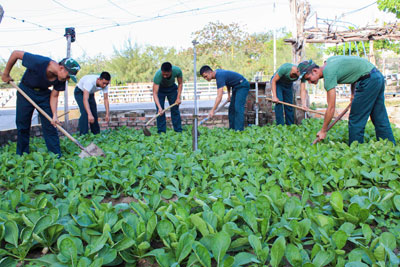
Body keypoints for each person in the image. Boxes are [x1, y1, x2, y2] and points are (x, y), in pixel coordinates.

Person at [299, 56, 395, 145]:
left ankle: (356, 150)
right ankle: (389, 145)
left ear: (315, 70)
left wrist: (323, 130)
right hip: (376, 76)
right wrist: (353, 94)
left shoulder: (328, 74)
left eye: (309, 79)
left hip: (368, 80)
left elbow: (331, 107)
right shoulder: (330, 61)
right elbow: (353, 71)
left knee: (356, 119)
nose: (309, 82)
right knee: (379, 116)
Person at [1, 50, 80, 156]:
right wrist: (6, 73)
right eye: (68, 76)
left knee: (51, 125)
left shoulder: (61, 78)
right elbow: (15, 54)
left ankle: (55, 155)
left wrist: (55, 115)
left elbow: (54, 95)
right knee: (23, 125)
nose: (68, 79)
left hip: (44, 95)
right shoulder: (40, 62)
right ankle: (22, 154)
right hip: (26, 90)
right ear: (61, 68)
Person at [200, 65, 250, 131]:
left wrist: (212, 110)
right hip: (235, 87)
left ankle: (239, 130)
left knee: (238, 107)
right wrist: (229, 95)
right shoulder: (217, 72)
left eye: (206, 76)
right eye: (204, 78)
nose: (206, 79)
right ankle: (232, 129)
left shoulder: (219, 76)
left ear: (210, 72)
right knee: (231, 109)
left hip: (242, 85)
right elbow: (227, 82)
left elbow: (219, 97)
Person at [152, 62, 183, 133]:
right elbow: (155, 93)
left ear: (171, 71)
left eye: (167, 74)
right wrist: (159, 107)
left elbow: (180, 84)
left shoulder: (177, 71)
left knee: (175, 109)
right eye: (163, 74)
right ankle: (161, 132)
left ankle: (178, 131)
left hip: (172, 89)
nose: (165, 76)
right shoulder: (158, 75)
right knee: (160, 112)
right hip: (160, 90)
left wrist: (178, 98)